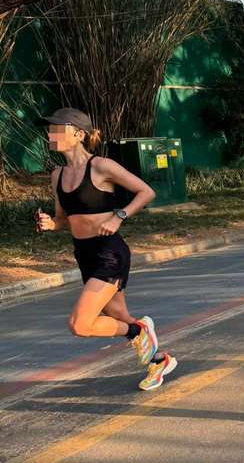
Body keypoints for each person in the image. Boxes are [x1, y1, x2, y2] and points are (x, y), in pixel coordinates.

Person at [35, 108, 176, 391]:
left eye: (56, 129)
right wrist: (52, 225)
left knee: (80, 324)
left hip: (110, 254)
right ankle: (158, 361)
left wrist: (118, 217)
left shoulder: (101, 166)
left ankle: (140, 330)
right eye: (49, 130)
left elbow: (146, 192)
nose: (50, 135)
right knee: (118, 317)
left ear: (78, 134)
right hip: (84, 255)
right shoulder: (57, 175)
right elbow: (65, 219)